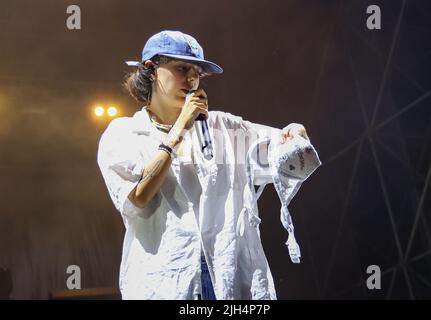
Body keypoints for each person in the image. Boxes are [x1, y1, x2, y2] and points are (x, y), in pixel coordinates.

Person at [97, 30, 315, 300]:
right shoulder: (124, 133)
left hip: (229, 280)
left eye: (197, 71)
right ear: (151, 69)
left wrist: (293, 136)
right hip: (166, 282)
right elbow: (139, 197)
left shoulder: (226, 127)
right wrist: (180, 128)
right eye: (181, 68)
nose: (191, 78)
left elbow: (285, 158)